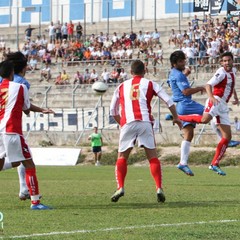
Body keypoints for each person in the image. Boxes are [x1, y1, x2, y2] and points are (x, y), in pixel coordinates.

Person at [109, 60, 182, 203]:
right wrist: (176, 118)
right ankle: (159, 188)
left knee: (122, 157)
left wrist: (122, 124)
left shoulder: (121, 86)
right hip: (145, 122)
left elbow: (113, 111)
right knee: (152, 157)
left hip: (128, 122)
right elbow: (169, 101)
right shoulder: (150, 84)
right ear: (145, 71)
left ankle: (120, 187)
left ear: (131, 72)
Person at [0, 60, 54, 210]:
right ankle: (35, 202)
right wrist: (42, 110)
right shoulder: (20, 87)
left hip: (0, 130)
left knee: (14, 163)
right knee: (29, 165)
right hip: (12, 131)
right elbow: (27, 108)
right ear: (12, 72)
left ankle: (31, 197)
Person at [178, 52, 239, 176]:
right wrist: (211, 97)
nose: (227, 63)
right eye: (224, 61)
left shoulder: (233, 71)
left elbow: (231, 85)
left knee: (227, 137)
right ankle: (177, 117)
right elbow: (208, 85)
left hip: (223, 105)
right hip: (216, 100)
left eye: (229, 60)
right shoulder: (221, 72)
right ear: (221, 62)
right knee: (205, 120)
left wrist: (236, 97)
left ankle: (214, 164)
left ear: (233, 61)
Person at [167, 50, 205, 177]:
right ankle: (226, 140)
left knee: (189, 134)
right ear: (174, 63)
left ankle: (183, 163)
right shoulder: (178, 75)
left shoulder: (174, 73)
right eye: (181, 61)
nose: (184, 63)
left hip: (180, 105)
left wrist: (185, 75)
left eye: (184, 60)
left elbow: (172, 84)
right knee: (210, 112)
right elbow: (186, 91)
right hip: (186, 104)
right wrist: (200, 88)